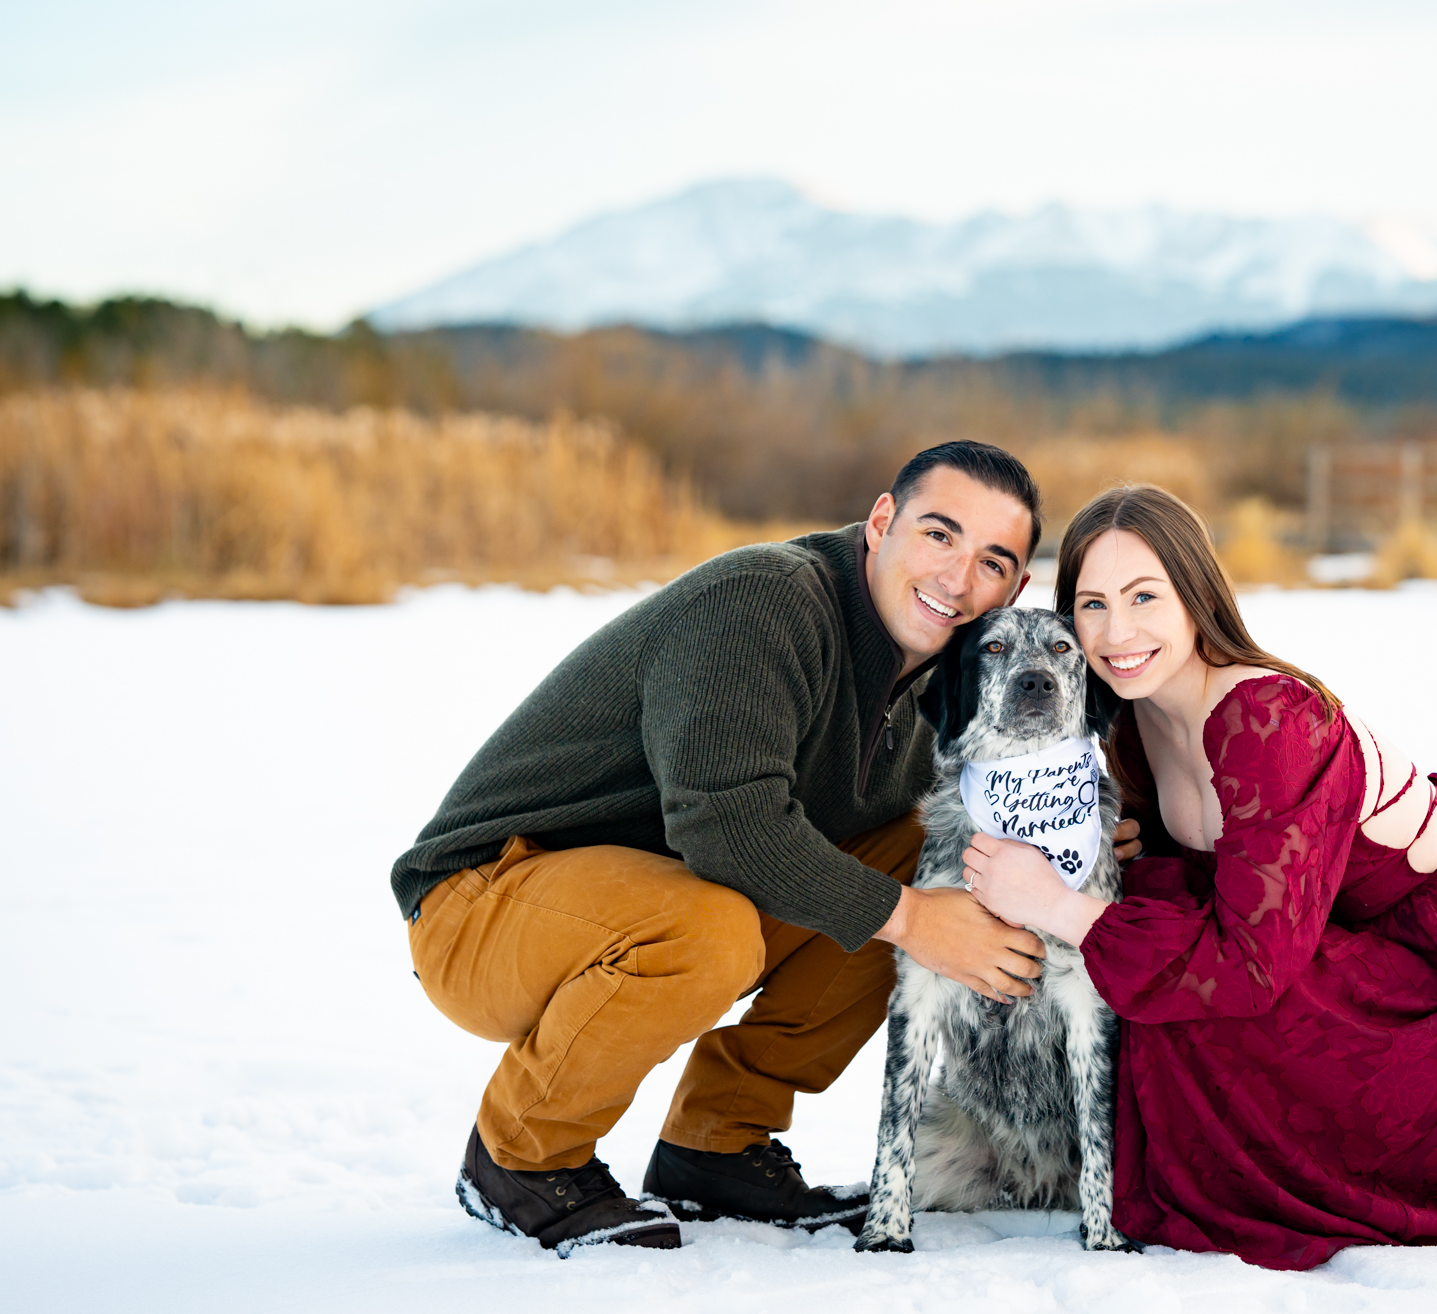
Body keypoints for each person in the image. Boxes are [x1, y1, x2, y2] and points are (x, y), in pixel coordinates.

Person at [394, 440, 1138, 1254]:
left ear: (1015, 587)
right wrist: (918, 921)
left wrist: (1079, 834)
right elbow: (726, 826)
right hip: (483, 902)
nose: (958, 577)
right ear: (882, 521)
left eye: (992, 560)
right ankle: (521, 1157)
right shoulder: (763, 602)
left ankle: (717, 1143)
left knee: (916, 855)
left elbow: (947, 819)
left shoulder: (934, 672)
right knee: (730, 925)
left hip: (654, 893)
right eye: (939, 534)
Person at [960, 483, 1437, 1272]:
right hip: (1314, 934)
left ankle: (1238, 1185)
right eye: (1092, 604)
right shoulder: (1133, 722)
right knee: (1159, 933)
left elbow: (1252, 964)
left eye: (1143, 596)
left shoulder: (1267, 719)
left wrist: (1056, 904)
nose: (1117, 631)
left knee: (1186, 973)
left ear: (1196, 596)